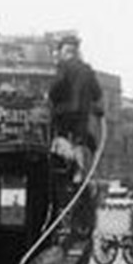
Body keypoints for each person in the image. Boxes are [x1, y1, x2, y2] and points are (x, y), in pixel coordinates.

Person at [47, 34, 103, 181]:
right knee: (80, 141)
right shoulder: (87, 70)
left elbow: (56, 87)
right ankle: (79, 172)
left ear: (64, 52)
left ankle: (64, 165)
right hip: (81, 115)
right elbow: (97, 94)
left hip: (63, 112)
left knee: (60, 139)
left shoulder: (63, 67)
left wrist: (49, 96)